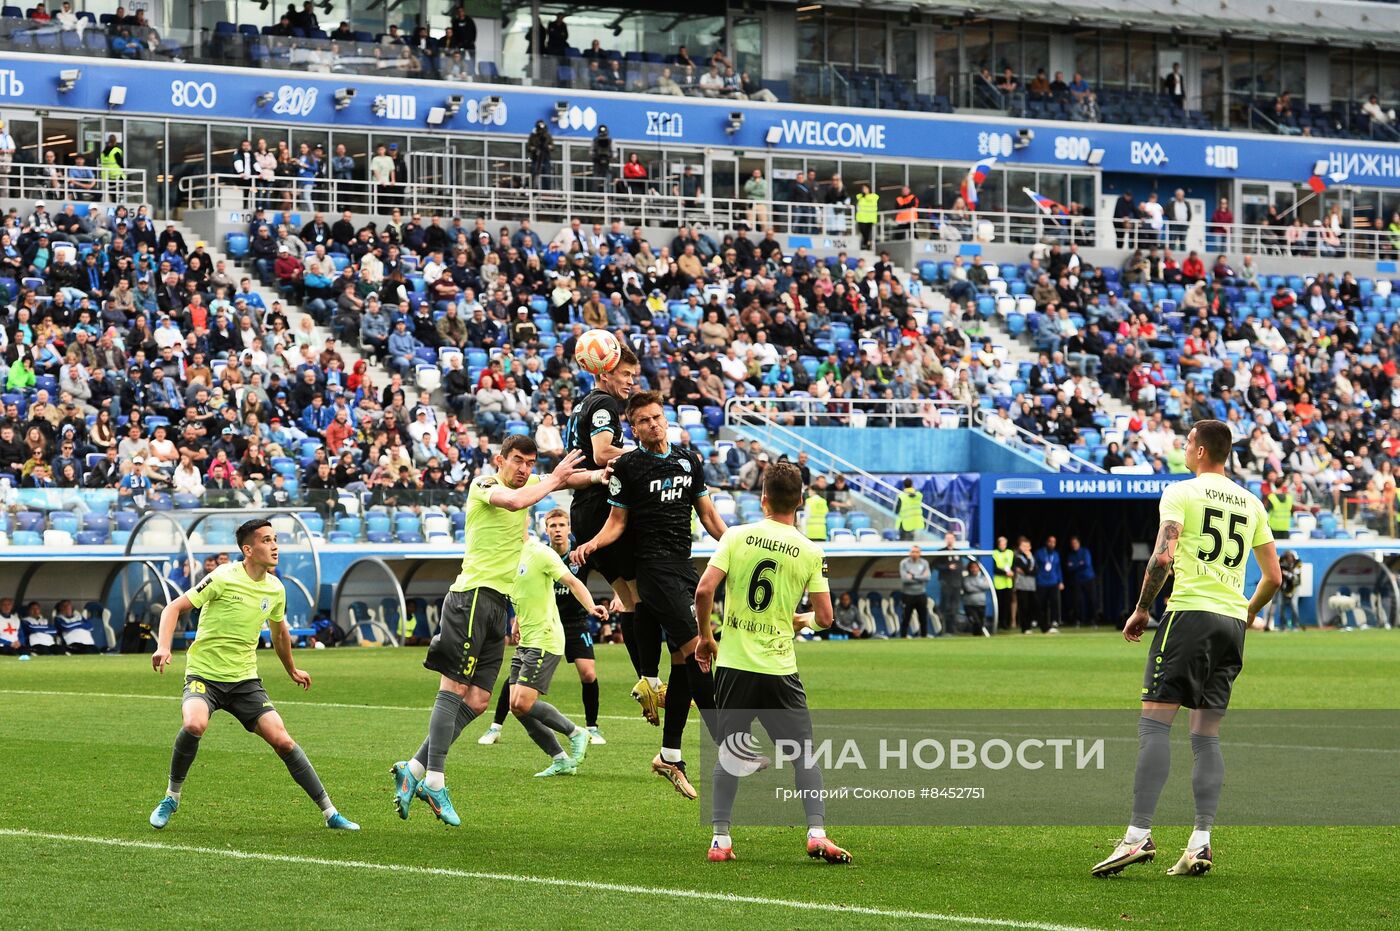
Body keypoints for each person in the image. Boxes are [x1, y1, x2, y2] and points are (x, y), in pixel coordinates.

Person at [1092, 420, 1279, 879]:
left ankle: (1138, 836)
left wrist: (1140, 609)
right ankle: (1200, 842)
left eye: (1187, 441)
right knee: (1205, 736)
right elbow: (1274, 577)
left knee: (1154, 727)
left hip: (1190, 616)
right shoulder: (1251, 502)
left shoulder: (1182, 493)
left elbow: (1162, 556)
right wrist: (1248, 612)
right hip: (1231, 623)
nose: (1184, 446)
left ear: (1199, 451)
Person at [389, 437, 605, 826]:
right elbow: (517, 501)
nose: (523, 469)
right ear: (499, 461)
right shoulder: (485, 485)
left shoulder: (533, 482)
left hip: (496, 606)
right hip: (470, 597)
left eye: (529, 463)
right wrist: (554, 478)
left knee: (479, 699)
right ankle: (435, 780)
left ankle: (416, 768)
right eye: (517, 461)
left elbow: (570, 479)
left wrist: (602, 474)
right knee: (452, 689)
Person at [147, 519, 359, 831]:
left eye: (276, 540)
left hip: (245, 681)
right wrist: (164, 646)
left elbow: (280, 634)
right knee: (194, 723)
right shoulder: (222, 577)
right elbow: (172, 608)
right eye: (267, 540)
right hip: (205, 675)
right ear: (248, 549)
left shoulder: (275, 588)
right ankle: (171, 797)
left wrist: (292, 670)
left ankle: (330, 813)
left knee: (283, 741)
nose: (275, 546)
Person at [694, 460, 852, 865]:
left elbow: (704, 591)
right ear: (799, 501)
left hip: (733, 665)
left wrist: (707, 638)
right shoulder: (811, 551)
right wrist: (801, 620)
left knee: (730, 752)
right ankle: (816, 833)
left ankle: (720, 841)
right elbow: (826, 618)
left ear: (762, 498)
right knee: (804, 755)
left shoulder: (735, 536)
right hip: (779, 668)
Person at [573, 391, 728, 799]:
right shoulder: (629, 465)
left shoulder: (688, 460)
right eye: (642, 421)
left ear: (667, 418)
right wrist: (591, 543)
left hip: (684, 566)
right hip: (654, 571)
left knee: (682, 661)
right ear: (634, 427)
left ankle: (670, 755)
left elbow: (709, 515)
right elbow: (617, 522)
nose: (652, 425)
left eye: (657, 417)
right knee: (699, 652)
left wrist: (737, 547)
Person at [480, 509, 608, 747]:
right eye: (553, 526)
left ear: (569, 529)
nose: (558, 530)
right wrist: (517, 619)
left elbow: (594, 575)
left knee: (588, 673)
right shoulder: (538, 554)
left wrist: (613, 598)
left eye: (562, 525)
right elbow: (525, 591)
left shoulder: (580, 555)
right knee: (516, 681)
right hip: (543, 623)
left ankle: (592, 728)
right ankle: (495, 726)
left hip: (574, 623)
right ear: (546, 529)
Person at [502, 524, 607, 776]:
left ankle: (576, 732)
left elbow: (572, 581)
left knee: (523, 702)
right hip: (526, 638)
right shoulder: (507, 556)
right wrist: (516, 622)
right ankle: (559, 759)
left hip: (545, 638)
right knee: (515, 706)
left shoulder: (540, 553)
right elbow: (524, 593)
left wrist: (592, 607)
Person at [564, 342, 641, 684]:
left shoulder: (581, 405)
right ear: (605, 370)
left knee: (627, 599)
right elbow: (601, 452)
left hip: (583, 508)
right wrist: (647, 453)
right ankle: (649, 677)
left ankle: (646, 679)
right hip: (602, 509)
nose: (630, 381)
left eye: (634, 375)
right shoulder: (604, 403)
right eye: (625, 373)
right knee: (641, 597)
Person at [898, 544, 932, 637]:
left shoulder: (924, 563)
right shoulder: (904, 563)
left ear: (920, 553)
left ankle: (924, 636)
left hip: (921, 594)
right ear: (909, 553)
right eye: (913, 552)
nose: (914, 554)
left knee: (923, 618)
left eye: (917, 552)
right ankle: (903, 637)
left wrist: (913, 576)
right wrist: (921, 576)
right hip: (908, 594)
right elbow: (905, 579)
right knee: (906, 617)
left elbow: (928, 577)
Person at [1064, 535, 1098, 626]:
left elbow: (1086, 564)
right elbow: (1069, 567)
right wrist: (1079, 564)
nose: (1074, 545)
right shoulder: (1070, 555)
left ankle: (1094, 620)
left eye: (1075, 543)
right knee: (1077, 601)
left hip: (1089, 578)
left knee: (1092, 599)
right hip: (1077, 580)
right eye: (1072, 544)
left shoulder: (1085, 552)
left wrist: (1074, 565)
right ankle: (1078, 620)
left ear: (1079, 543)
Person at [1033, 535, 1063, 634]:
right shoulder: (1039, 553)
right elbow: (1035, 566)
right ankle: (1040, 621)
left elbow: (1058, 568)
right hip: (1042, 582)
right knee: (1041, 604)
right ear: (1047, 542)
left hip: (1053, 582)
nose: (1052, 544)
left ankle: (1055, 621)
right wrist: (1036, 579)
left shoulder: (1056, 554)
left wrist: (1060, 581)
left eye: (1054, 542)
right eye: (1050, 542)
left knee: (1055, 602)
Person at [960, 557, 992, 637]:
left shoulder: (983, 578)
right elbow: (968, 588)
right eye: (972, 568)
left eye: (976, 567)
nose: (974, 569)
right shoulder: (966, 579)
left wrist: (976, 585)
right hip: (970, 605)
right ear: (969, 569)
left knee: (981, 622)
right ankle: (977, 636)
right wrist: (980, 587)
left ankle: (978, 637)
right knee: (976, 622)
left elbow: (987, 586)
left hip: (981, 603)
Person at [1012, 536, 1037, 634]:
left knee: (1032, 606)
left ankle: (1029, 626)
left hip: (1031, 585)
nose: (1025, 548)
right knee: (1023, 607)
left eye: (1027, 546)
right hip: (1021, 585)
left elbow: (1035, 571)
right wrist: (1028, 569)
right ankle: (1025, 628)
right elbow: (1027, 570)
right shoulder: (1018, 557)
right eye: (1023, 546)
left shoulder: (1031, 557)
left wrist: (1029, 568)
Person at [991, 535, 1015, 633]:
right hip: (998, 582)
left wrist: (1012, 572)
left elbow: (1013, 565)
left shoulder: (1010, 553)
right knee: (999, 603)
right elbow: (994, 568)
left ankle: (1005, 622)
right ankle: (998, 622)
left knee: (1007, 603)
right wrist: (1005, 573)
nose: (1003, 545)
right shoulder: (994, 553)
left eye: (1004, 544)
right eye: (1001, 544)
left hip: (1008, 582)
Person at [526, 120, 553, 190]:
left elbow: (552, 147)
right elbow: (528, 147)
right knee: (534, 173)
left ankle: (547, 190)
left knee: (546, 174)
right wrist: (535, 149)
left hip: (546, 158)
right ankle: (534, 189)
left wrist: (546, 146)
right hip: (536, 158)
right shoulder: (533, 136)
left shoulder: (548, 136)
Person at [855, 183, 879, 252]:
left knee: (867, 233)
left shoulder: (873, 196)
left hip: (870, 218)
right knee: (863, 232)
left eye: (865, 188)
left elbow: (870, 199)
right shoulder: (860, 197)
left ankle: (866, 244)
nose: (864, 190)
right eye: (863, 189)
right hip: (861, 218)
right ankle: (867, 243)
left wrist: (865, 195)